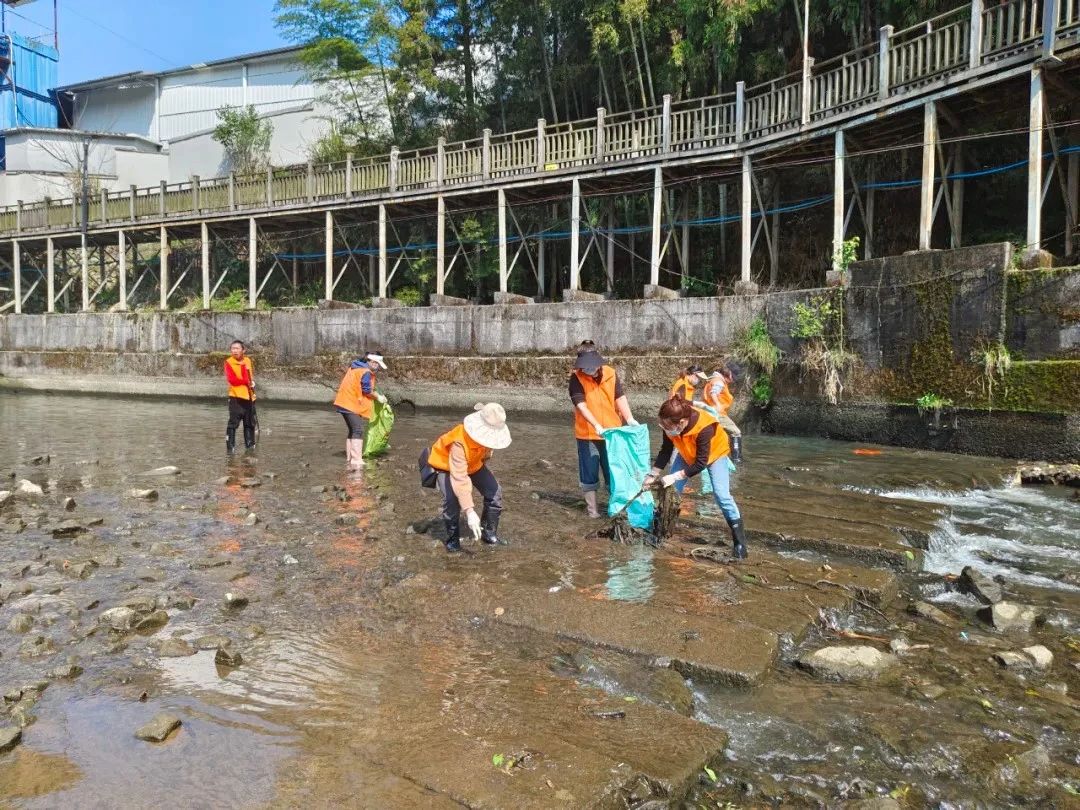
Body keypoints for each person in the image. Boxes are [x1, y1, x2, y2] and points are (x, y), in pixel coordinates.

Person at [643, 396, 748, 559]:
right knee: (670, 491)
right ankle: (659, 532)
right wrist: (652, 474)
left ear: (683, 422)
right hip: (686, 453)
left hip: (714, 455)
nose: (666, 428)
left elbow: (700, 464)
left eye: (669, 426)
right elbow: (665, 450)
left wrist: (675, 475)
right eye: (663, 425)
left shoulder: (704, 427)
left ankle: (739, 543)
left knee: (722, 496)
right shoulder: (669, 424)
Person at [422, 403, 512, 553]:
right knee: (452, 501)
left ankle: (489, 535)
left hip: (472, 463)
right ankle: (453, 541)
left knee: (495, 492)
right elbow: (459, 478)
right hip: (446, 466)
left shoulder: (487, 437)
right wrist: (470, 512)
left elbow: (484, 456)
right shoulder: (459, 443)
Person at [569, 348, 639, 518]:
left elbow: (619, 397)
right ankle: (592, 511)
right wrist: (596, 425)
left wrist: (629, 418)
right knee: (589, 471)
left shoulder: (611, 374)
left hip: (613, 432)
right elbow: (581, 405)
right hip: (588, 434)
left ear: (598, 364)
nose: (587, 371)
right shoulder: (576, 378)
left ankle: (616, 507)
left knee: (613, 470)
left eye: (590, 367)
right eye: (584, 368)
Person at [332, 351, 389, 469]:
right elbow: (367, 391)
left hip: (343, 402)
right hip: (350, 404)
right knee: (358, 429)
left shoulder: (355, 367)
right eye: (377, 364)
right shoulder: (365, 372)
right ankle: (356, 459)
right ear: (372, 362)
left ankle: (350, 458)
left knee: (352, 430)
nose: (378, 367)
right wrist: (379, 397)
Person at [702, 365, 743, 463]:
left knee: (717, 435)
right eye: (732, 377)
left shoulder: (712, 379)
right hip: (717, 413)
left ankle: (717, 456)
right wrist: (718, 404)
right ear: (728, 374)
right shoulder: (719, 382)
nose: (732, 381)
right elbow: (713, 393)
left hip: (708, 412)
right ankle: (737, 460)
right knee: (736, 432)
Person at [223, 340, 257, 453]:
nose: (235, 351)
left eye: (237, 348)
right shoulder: (228, 362)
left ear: (243, 350)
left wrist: (252, 383)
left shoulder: (248, 360)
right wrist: (246, 381)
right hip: (236, 397)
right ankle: (230, 448)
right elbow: (233, 380)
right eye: (233, 348)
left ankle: (250, 446)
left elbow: (250, 376)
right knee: (233, 423)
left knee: (250, 423)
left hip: (249, 396)